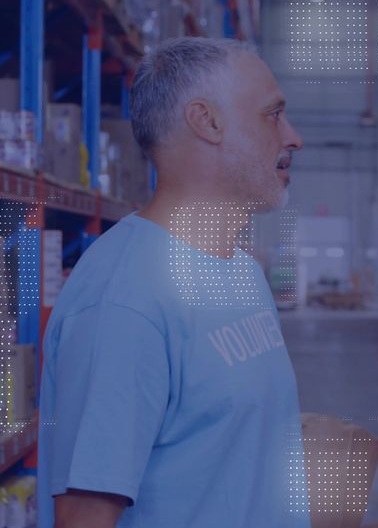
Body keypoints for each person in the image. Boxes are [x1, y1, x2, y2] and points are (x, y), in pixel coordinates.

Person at [37, 38, 308, 528]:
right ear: (206, 121)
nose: (293, 137)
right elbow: (84, 518)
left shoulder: (241, 271)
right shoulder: (125, 301)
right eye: (273, 115)